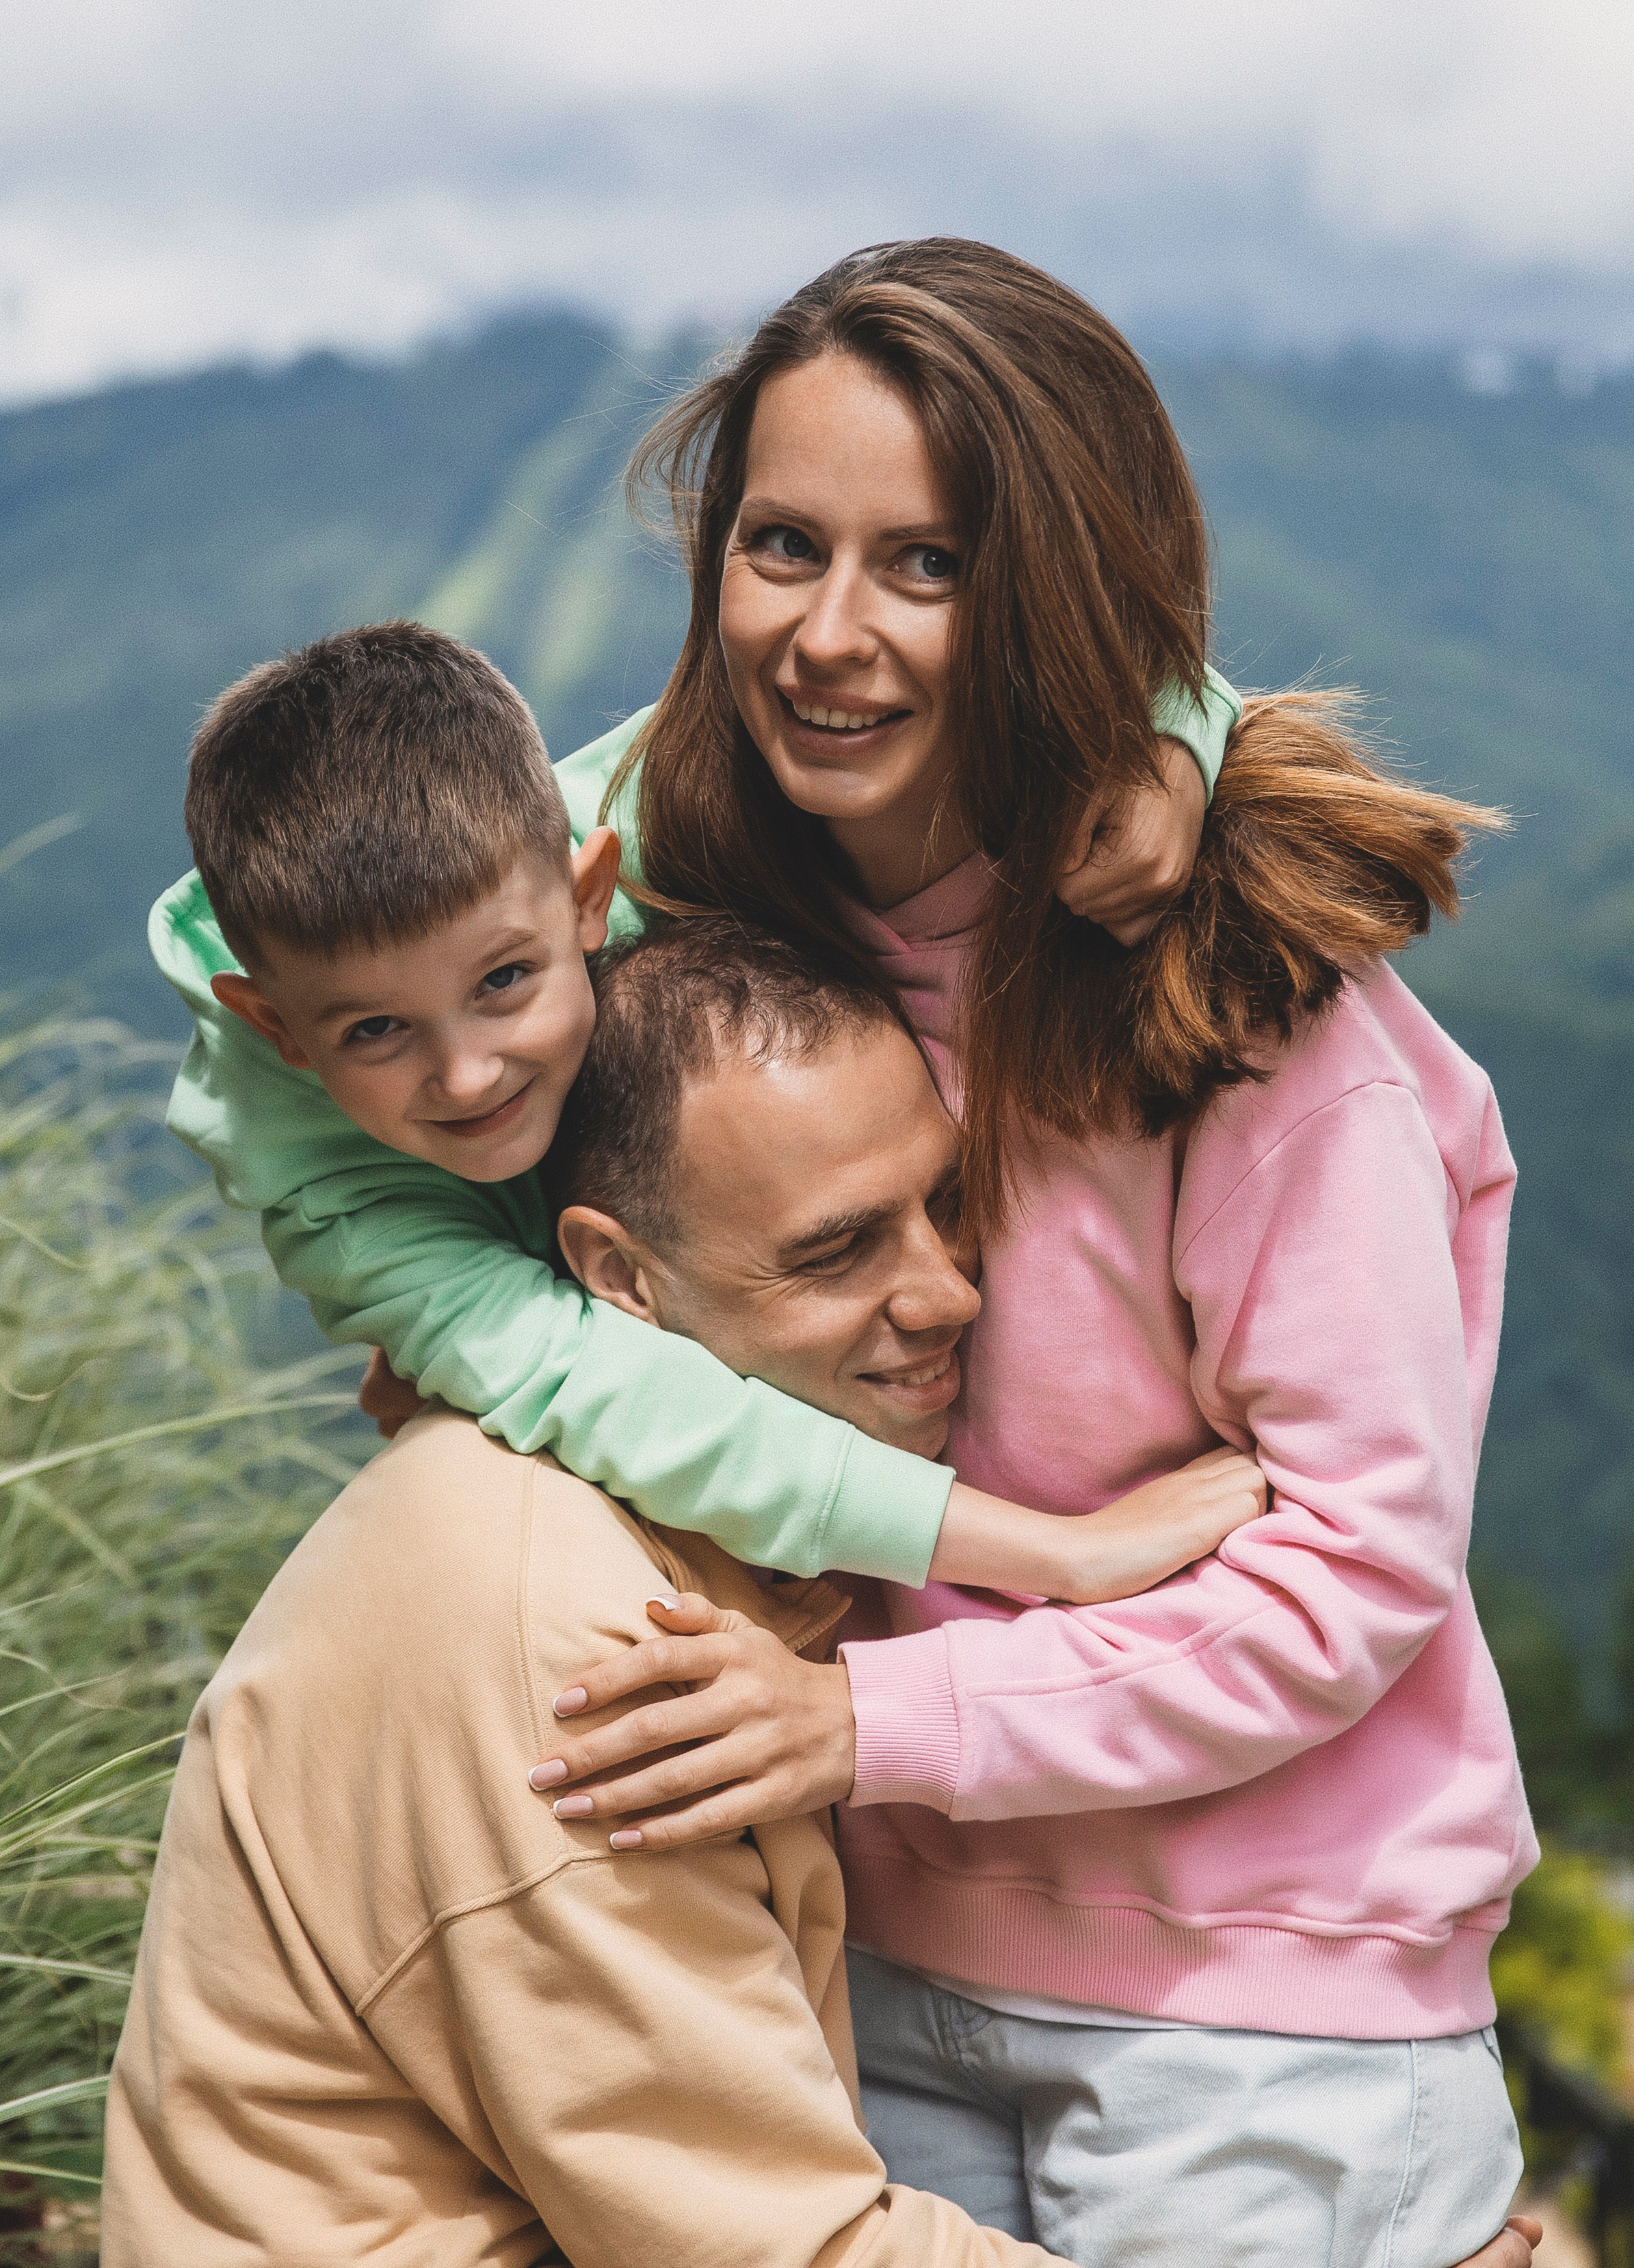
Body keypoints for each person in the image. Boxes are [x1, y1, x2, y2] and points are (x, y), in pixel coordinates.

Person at [506, 242, 1596, 2268]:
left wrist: (871, 1732)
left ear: (1063, 604)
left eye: (931, 569)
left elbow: (1351, 1582)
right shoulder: (700, 941)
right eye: (782, 546)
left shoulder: (1261, 1017)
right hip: (877, 1979)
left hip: (1264, 2015)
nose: (832, 630)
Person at [101, 919, 1551, 2268]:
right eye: (834, 1250)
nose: (942, 1293)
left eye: (946, 1203)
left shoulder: (714, 1552)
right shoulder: (579, 1645)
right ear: (619, 1279)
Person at [151, 603, 1228, 1601]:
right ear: (277, 1027)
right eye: (376, 1031)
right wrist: (1060, 1554)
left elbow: (1019, 667)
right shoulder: (325, 1188)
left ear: (586, 895)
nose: (469, 1075)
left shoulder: (661, 800)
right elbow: (603, 1394)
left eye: (503, 982)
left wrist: (1174, 749)